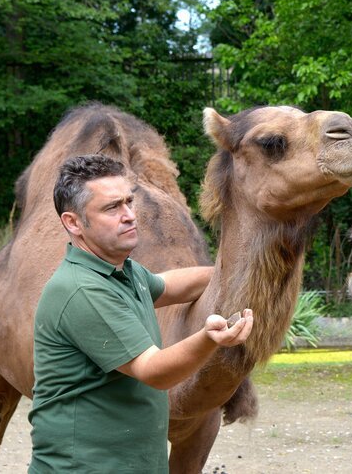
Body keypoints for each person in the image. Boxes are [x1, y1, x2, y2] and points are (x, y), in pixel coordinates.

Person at [28, 153, 253, 473]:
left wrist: (230, 274)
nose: (129, 215)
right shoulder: (82, 290)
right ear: (73, 223)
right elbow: (153, 370)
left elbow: (166, 286)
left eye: (128, 202)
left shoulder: (121, 272)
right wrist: (209, 338)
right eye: (111, 207)